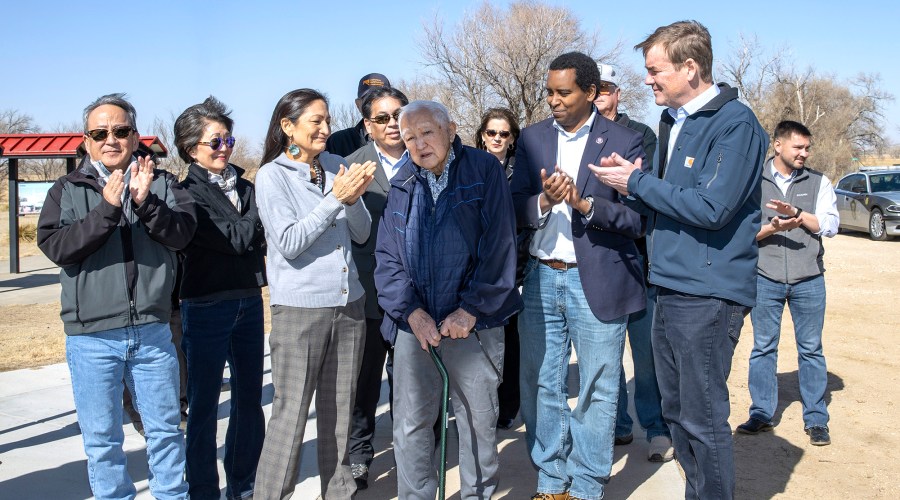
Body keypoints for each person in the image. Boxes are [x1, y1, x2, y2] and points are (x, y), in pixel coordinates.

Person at [590, 20, 768, 500]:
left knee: (703, 418)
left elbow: (713, 208)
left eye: (655, 70)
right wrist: (629, 186)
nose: (647, 79)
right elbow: (670, 200)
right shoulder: (672, 121)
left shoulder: (736, 124)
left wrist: (638, 183)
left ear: (690, 67)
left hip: (707, 294)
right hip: (667, 287)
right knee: (677, 414)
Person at [37, 93, 196, 499]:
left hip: (153, 332)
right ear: (86, 141)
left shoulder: (163, 183)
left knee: (165, 431)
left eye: (121, 131)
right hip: (91, 338)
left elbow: (183, 235)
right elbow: (58, 247)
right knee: (102, 441)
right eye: (100, 133)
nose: (111, 139)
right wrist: (107, 209)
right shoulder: (66, 189)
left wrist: (145, 203)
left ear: (135, 137)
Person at [509, 52, 647, 500]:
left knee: (597, 388)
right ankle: (551, 480)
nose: (553, 100)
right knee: (541, 383)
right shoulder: (531, 139)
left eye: (563, 92)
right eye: (549, 92)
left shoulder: (625, 141)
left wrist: (583, 204)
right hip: (541, 278)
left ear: (590, 92)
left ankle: (587, 486)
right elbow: (513, 205)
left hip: (600, 280)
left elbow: (637, 220)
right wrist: (545, 201)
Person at [375, 100, 521, 499]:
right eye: (409, 138)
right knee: (411, 424)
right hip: (416, 325)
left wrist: (470, 309)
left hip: (474, 323)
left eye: (427, 133)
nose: (419, 144)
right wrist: (411, 312)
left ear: (450, 130)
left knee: (477, 422)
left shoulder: (483, 169)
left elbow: (499, 246)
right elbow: (387, 258)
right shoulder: (403, 181)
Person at [253, 88, 376, 500]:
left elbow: (362, 233)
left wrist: (352, 200)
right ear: (288, 126)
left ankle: (338, 493)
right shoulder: (272, 175)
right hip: (300, 311)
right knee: (290, 416)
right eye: (316, 121)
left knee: (339, 413)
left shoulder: (338, 165)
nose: (325, 128)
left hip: (349, 304)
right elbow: (289, 242)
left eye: (328, 120)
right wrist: (334, 199)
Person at [174, 96, 268, 499]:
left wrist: (254, 217)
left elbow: (255, 240)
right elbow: (238, 239)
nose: (224, 147)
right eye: (215, 141)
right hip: (205, 305)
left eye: (228, 139)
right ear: (190, 148)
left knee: (249, 401)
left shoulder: (246, 187)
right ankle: (203, 490)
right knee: (204, 406)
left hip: (249, 299)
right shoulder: (183, 194)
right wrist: (258, 213)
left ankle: (243, 485)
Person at [737, 120, 838, 446]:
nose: (804, 153)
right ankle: (761, 414)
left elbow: (829, 225)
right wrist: (771, 229)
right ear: (778, 145)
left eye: (807, 148)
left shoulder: (819, 182)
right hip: (764, 278)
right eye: (798, 147)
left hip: (809, 279)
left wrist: (797, 213)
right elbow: (741, 234)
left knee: (811, 349)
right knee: (763, 347)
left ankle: (816, 418)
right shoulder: (753, 181)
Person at [592, 63, 672, 461]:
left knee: (646, 353)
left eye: (606, 89)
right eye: (594, 89)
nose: (600, 95)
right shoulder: (579, 135)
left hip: (638, 259)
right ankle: (618, 426)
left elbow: (647, 189)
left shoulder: (641, 134)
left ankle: (656, 428)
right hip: (597, 258)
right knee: (606, 357)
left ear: (618, 93)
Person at [343, 85, 410, 489]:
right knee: (363, 384)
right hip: (367, 292)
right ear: (368, 126)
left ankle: (415, 451)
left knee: (412, 382)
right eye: (382, 118)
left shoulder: (428, 158)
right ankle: (358, 455)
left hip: (416, 295)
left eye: (397, 115)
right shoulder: (350, 167)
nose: (392, 124)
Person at [474, 107, 522, 430]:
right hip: (477, 269)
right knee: (476, 346)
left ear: (512, 138)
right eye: (491, 132)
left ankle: (507, 407)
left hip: (514, 270)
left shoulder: (522, 172)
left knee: (511, 342)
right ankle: (479, 406)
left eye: (504, 133)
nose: (497, 138)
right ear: (482, 135)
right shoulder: (470, 168)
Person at [325, 73, 391, 157]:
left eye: (381, 99)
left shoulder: (404, 137)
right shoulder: (337, 141)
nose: (375, 105)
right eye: (369, 100)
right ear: (358, 104)